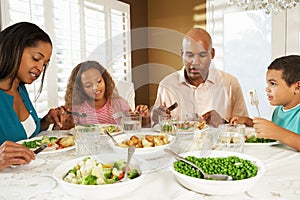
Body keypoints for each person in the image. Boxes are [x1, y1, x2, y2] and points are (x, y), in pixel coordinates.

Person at [0, 22, 67, 170]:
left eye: (44, 64)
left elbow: (25, 134)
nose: (40, 68)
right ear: (14, 49)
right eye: (36, 58)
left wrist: (46, 121)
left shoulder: (20, 89)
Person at [151, 27, 248, 127]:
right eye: (189, 55)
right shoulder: (167, 85)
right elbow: (156, 129)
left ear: (212, 54)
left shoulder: (230, 84)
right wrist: (157, 118)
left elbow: (243, 129)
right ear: (182, 54)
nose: (195, 62)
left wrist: (223, 123)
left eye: (202, 55)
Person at [230, 55, 300, 151]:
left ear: (297, 87)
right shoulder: (278, 111)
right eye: (267, 83)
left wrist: (278, 132)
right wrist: (249, 122)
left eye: (273, 84)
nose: (267, 89)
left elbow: (280, 133)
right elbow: (273, 133)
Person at [61, 60, 150, 129]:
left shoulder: (119, 104)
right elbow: (67, 134)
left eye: (99, 81)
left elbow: (137, 129)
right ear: (80, 89)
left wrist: (144, 117)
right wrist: (66, 123)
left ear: (105, 80)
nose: (95, 87)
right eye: (88, 85)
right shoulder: (77, 109)